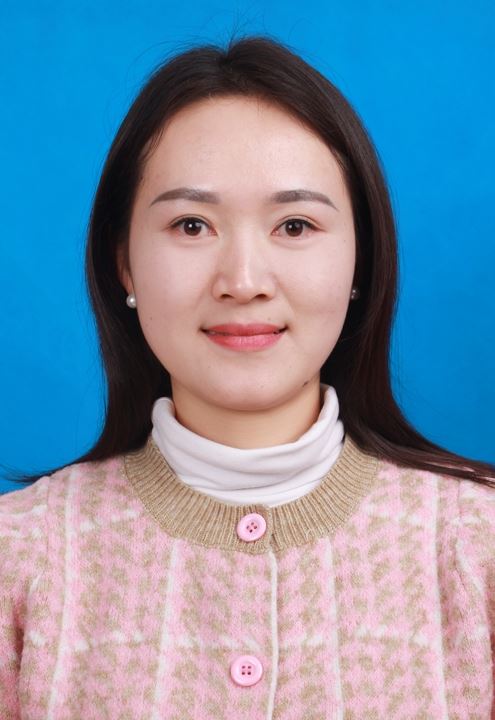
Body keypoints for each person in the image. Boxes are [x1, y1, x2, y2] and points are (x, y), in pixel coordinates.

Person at [1, 34, 494, 719]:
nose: (242, 281)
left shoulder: (478, 543)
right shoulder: (19, 558)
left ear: (360, 258)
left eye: (294, 225)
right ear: (123, 264)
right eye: (191, 225)